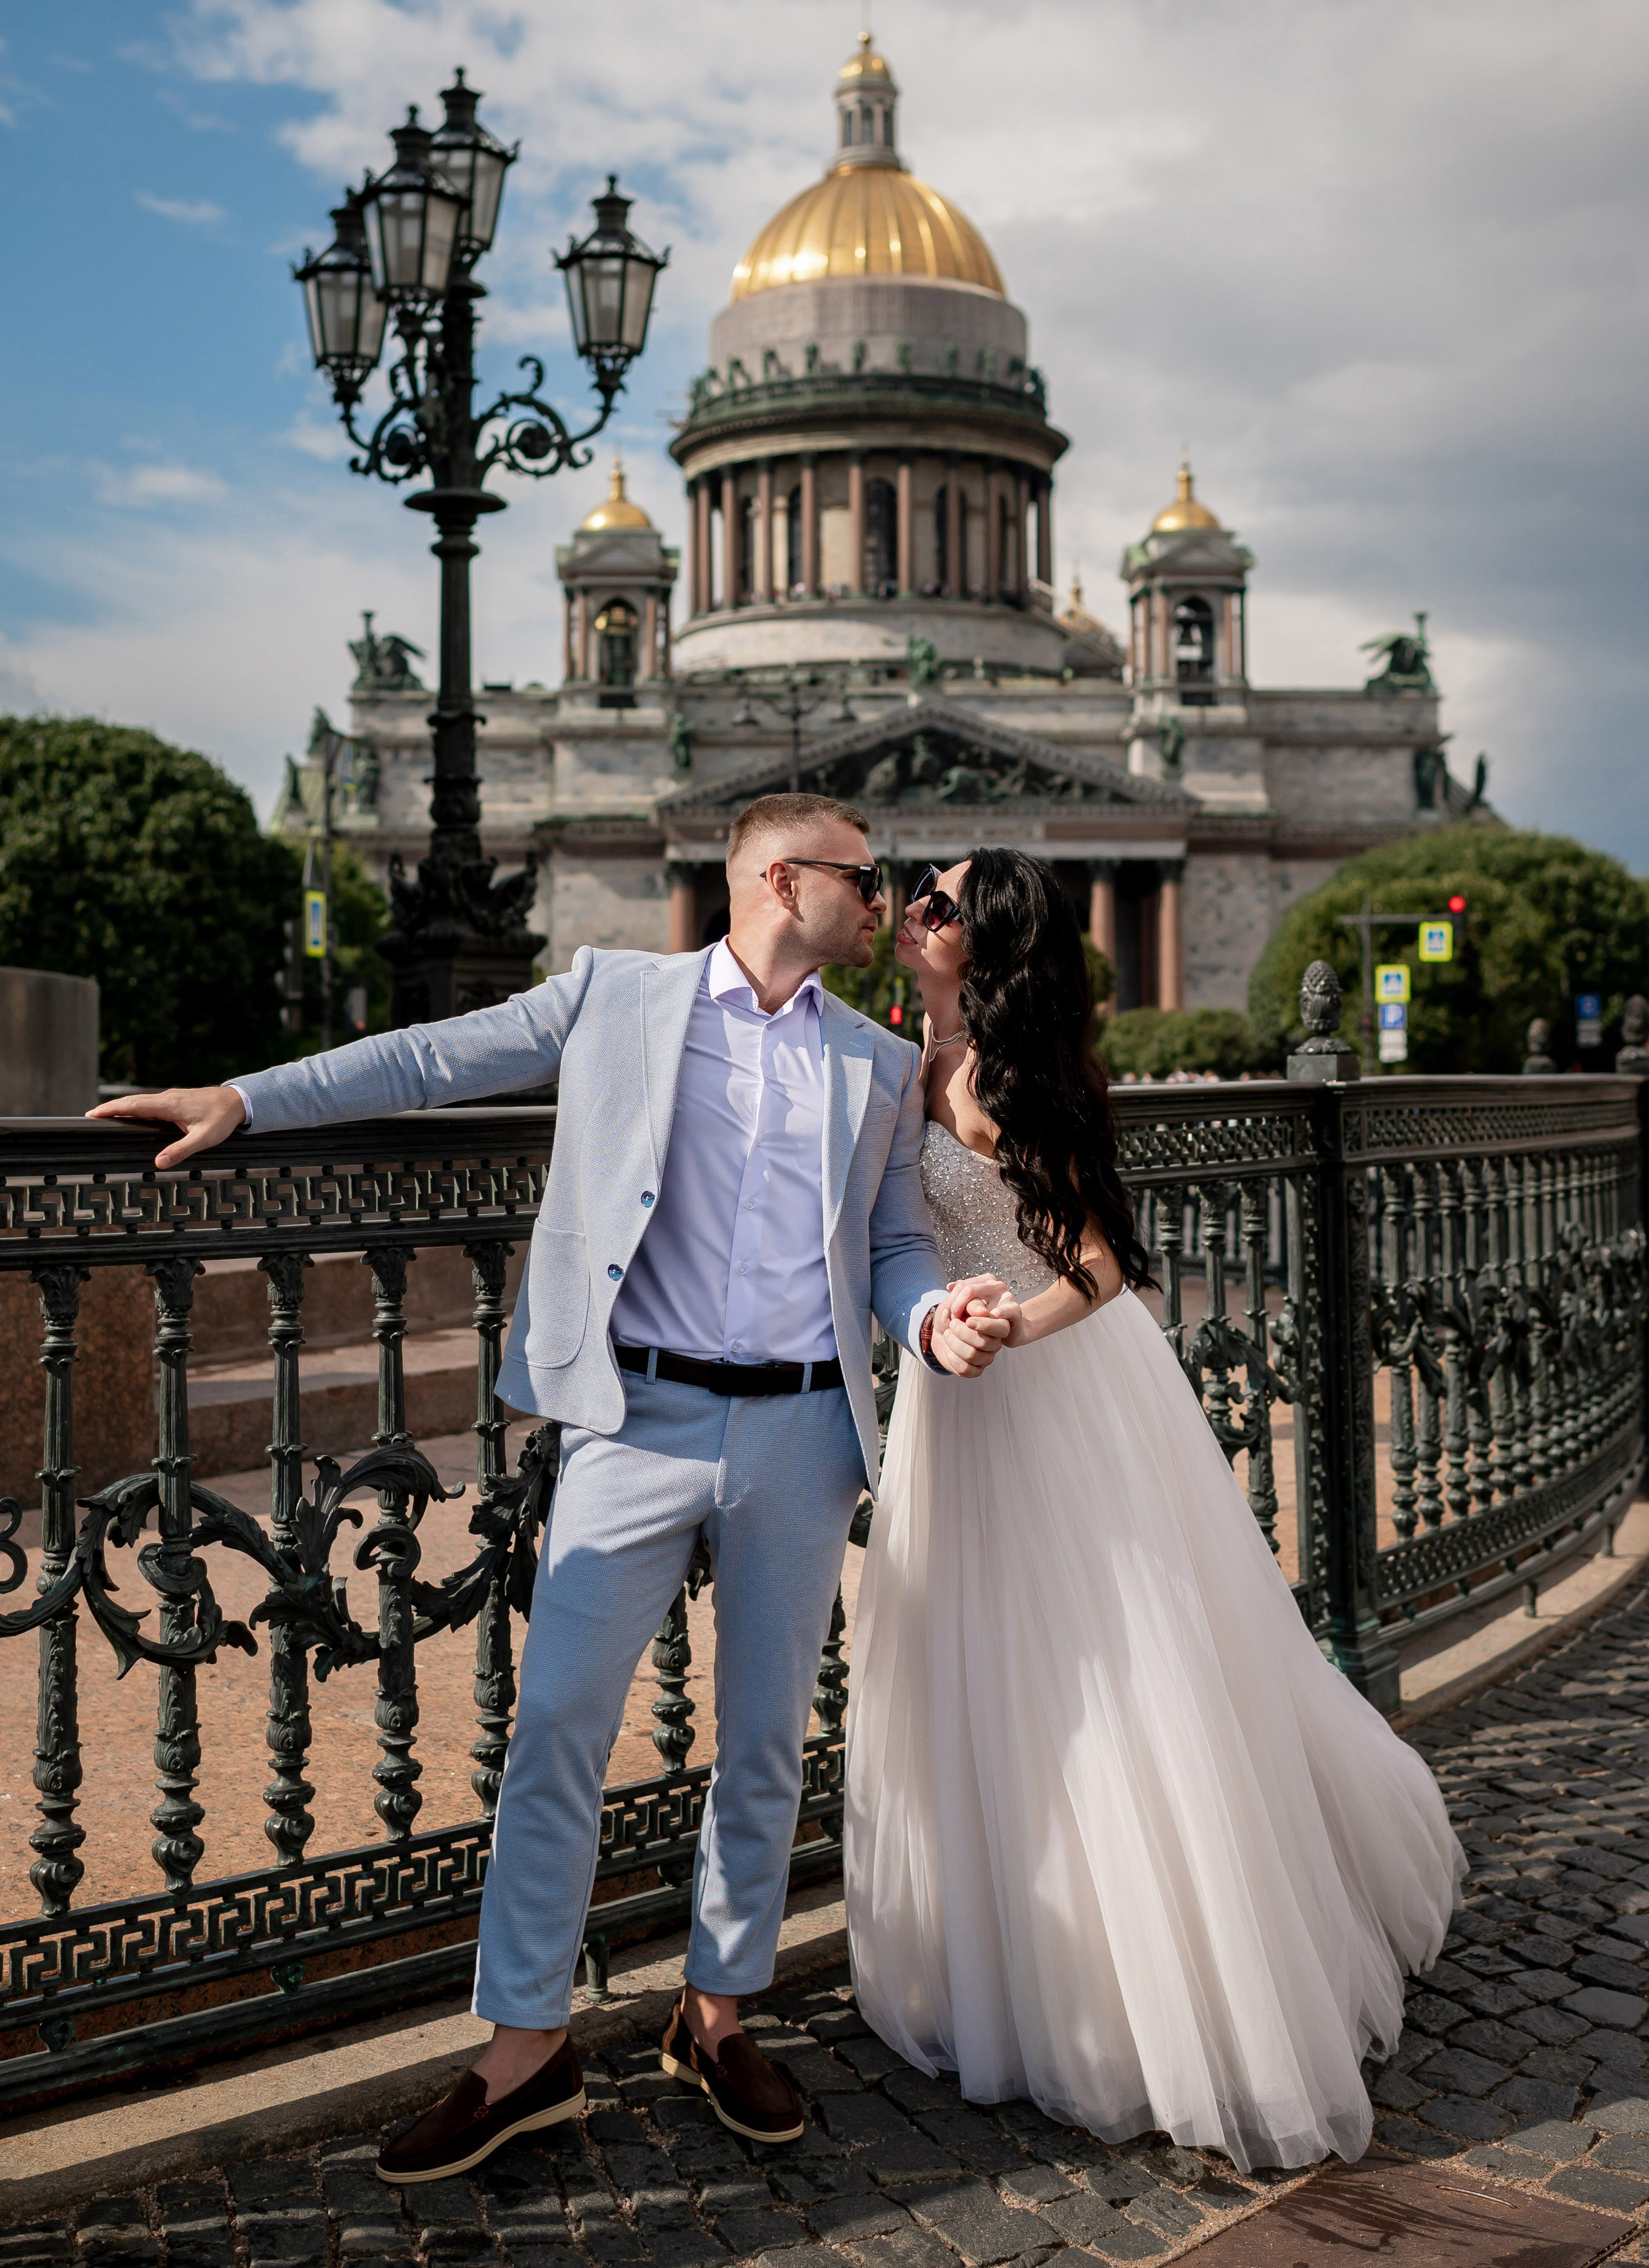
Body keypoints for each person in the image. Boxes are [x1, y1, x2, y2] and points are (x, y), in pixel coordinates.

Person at [91, 794, 1012, 2178]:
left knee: (761, 1741)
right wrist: (245, 1098)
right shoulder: (615, 996)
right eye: (864, 881)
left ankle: (715, 2012)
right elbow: (429, 1058)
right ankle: (524, 2049)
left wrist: (930, 1317)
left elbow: (887, 1243)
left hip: (803, 1431)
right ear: (778, 876)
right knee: (558, 1732)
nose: (884, 907)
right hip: (632, 1416)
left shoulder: (875, 1062)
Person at [843, 848, 1464, 2173]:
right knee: (984, 1672)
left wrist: (1000, 1329)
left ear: (984, 944)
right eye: (914, 893)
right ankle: (1008, 1946)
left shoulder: (997, 1077)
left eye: (938, 904)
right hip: (957, 1398)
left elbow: (1101, 1267)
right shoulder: (914, 1051)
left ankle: (1136, 1982)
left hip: (1041, 1387)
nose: (912, 913)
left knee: (1100, 1670)